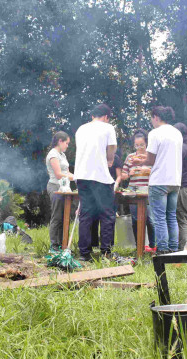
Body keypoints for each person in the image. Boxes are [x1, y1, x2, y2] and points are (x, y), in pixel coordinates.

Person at [132, 106, 182, 254]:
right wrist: (145, 159)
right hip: (174, 180)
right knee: (171, 217)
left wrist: (139, 162)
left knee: (159, 218)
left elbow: (151, 160)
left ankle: (162, 250)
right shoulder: (177, 133)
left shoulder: (155, 133)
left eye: (151, 119)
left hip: (159, 180)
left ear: (156, 117)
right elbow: (163, 155)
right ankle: (173, 249)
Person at [74, 104, 117, 261]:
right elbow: (112, 147)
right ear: (106, 116)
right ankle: (106, 252)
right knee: (107, 214)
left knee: (86, 214)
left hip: (82, 176)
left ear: (93, 116)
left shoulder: (81, 129)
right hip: (99, 176)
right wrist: (110, 160)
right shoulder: (108, 128)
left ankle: (84, 253)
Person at [121, 130, 155, 252]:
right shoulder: (130, 157)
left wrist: (148, 171)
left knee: (150, 219)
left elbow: (158, 171)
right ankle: (138, 246)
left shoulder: (151, 157)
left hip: (148, 189)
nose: (139, 147)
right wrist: (128, 173)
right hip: (133, 189)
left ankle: (153, 246)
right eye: (137, 145)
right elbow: (123, 174)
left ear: (146, 144)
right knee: (135, 219)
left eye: (142, 145)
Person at [45, 131, 73, 250]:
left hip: (65, 188)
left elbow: (66, 172)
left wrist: (79, 177)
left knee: (65, 216)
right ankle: (54, 245)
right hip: (55, 187)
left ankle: (63, 243)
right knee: (57, 216)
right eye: (66, 143)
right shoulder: (53, 154)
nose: (67, 145)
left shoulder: (62, 155)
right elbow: (58, 174)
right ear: (60, 141)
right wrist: (73, 177)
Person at [91, 153, 123, 250]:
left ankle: (109, 245)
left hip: (110, 188)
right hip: (96, 188)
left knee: (109, 217)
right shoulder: (97, 156)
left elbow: (119, 176)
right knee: (94, 216)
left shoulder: (115, 157)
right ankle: (94, 244)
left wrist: (115, 185)